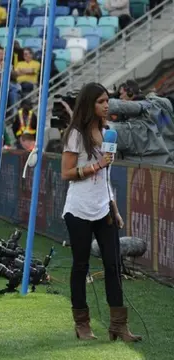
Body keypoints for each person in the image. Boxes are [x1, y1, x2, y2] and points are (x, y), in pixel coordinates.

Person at [61, 82, 141, 342]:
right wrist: (95, 165)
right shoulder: (75, 134)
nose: (107, 105)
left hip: (104, 207)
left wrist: (114, 208)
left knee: (113, 264)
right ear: (89, 104)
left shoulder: (108, 133)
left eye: (108, 100)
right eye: (101, 101)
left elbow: (106, 177)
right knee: (81, 265)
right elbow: (66, 173)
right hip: (79, 208)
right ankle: (82, 324)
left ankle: (119, 325)